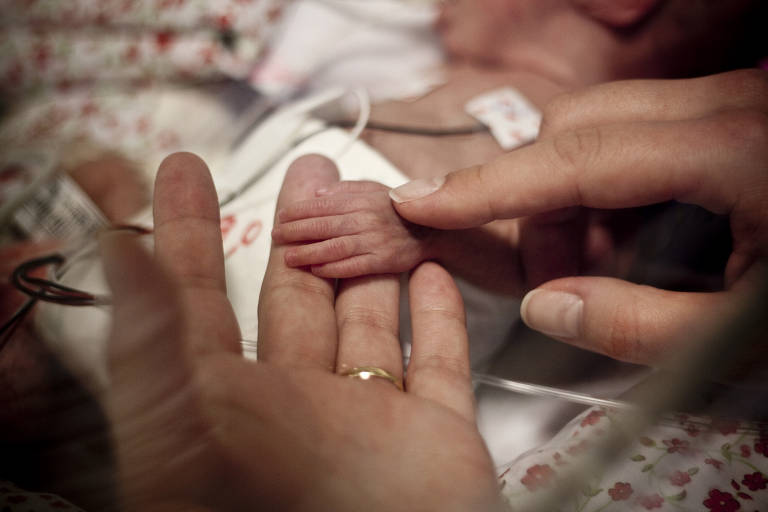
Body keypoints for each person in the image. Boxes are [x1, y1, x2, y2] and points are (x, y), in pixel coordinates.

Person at [98, 69, 768, 510]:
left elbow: (557, 260)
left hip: (328, 376)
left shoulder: (563, 102)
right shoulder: (424, 75)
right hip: (227, 289)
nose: (437, 10)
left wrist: (435, 236)